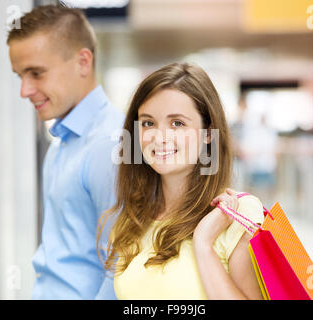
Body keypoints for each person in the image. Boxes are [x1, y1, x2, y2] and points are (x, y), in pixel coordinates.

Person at [98, 62, 264, 299]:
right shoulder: (130, 223)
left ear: (208, 133)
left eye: (177, 123)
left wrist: (203, 245)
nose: (160, 137)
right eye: (148, 123)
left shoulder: (237, 215)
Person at [7, 5, 124, 299]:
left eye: (36, 73)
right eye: (20, 75)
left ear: (83, 62)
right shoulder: (63, 140)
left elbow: (122, 266)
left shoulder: (110, 144)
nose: (24, 90)